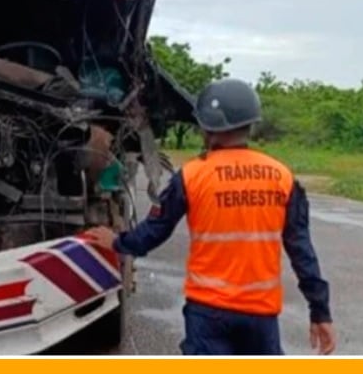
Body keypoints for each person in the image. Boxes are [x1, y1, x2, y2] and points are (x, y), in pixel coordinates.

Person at [85, 78, 336, 355]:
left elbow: (153, 233)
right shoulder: (282, 177)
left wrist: (117, 242)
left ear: (207, 126)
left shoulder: (192, 176)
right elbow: (303, 253)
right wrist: (320, 312)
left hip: (208, 314)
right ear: (251, 123)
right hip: (261, 317)